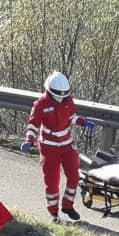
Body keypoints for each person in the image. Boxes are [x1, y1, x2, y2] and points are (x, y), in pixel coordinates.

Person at [20, 71, 96, 220]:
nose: (61, 98)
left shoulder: (68, 100)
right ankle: (53, 211)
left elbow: (71, 117)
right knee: (52, 181)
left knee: (74, 176)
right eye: (58, 96)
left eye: (64, 96)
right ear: (49, 91)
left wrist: (83, 122)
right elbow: (33, 124)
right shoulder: (40, 104)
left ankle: (68, 206)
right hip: (49, 147)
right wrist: (29, 139)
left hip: (67, 144)